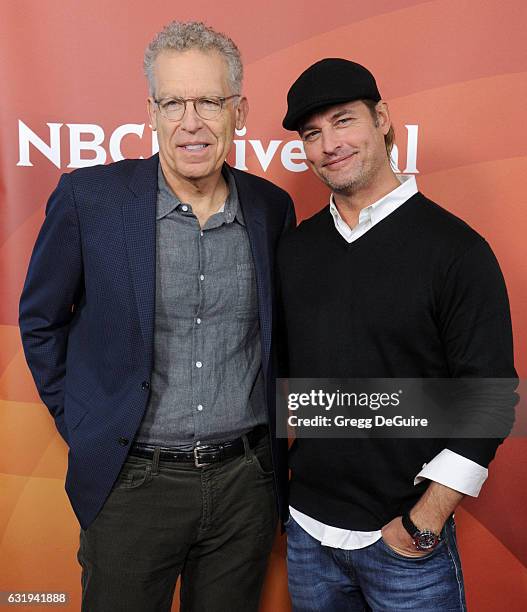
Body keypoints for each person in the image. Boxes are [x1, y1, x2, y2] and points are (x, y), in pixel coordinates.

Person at [19, 20, 295, 612]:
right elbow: (40, 321)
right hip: (131, 487)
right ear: (151, 111)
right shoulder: (88, 200)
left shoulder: (273, 209)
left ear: (239, 112)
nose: (191, 121)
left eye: (210, 102)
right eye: (174, 102)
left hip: (246, 488)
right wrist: (89, 424)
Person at [278, 58, 517, 611]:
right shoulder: (296, 249)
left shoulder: (456, 250)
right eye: (312, 133)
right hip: (309, 538)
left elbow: (490, 398)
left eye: (343, 121)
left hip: (405, 545)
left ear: (382, 118)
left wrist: (424, 521)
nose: (328, 144)